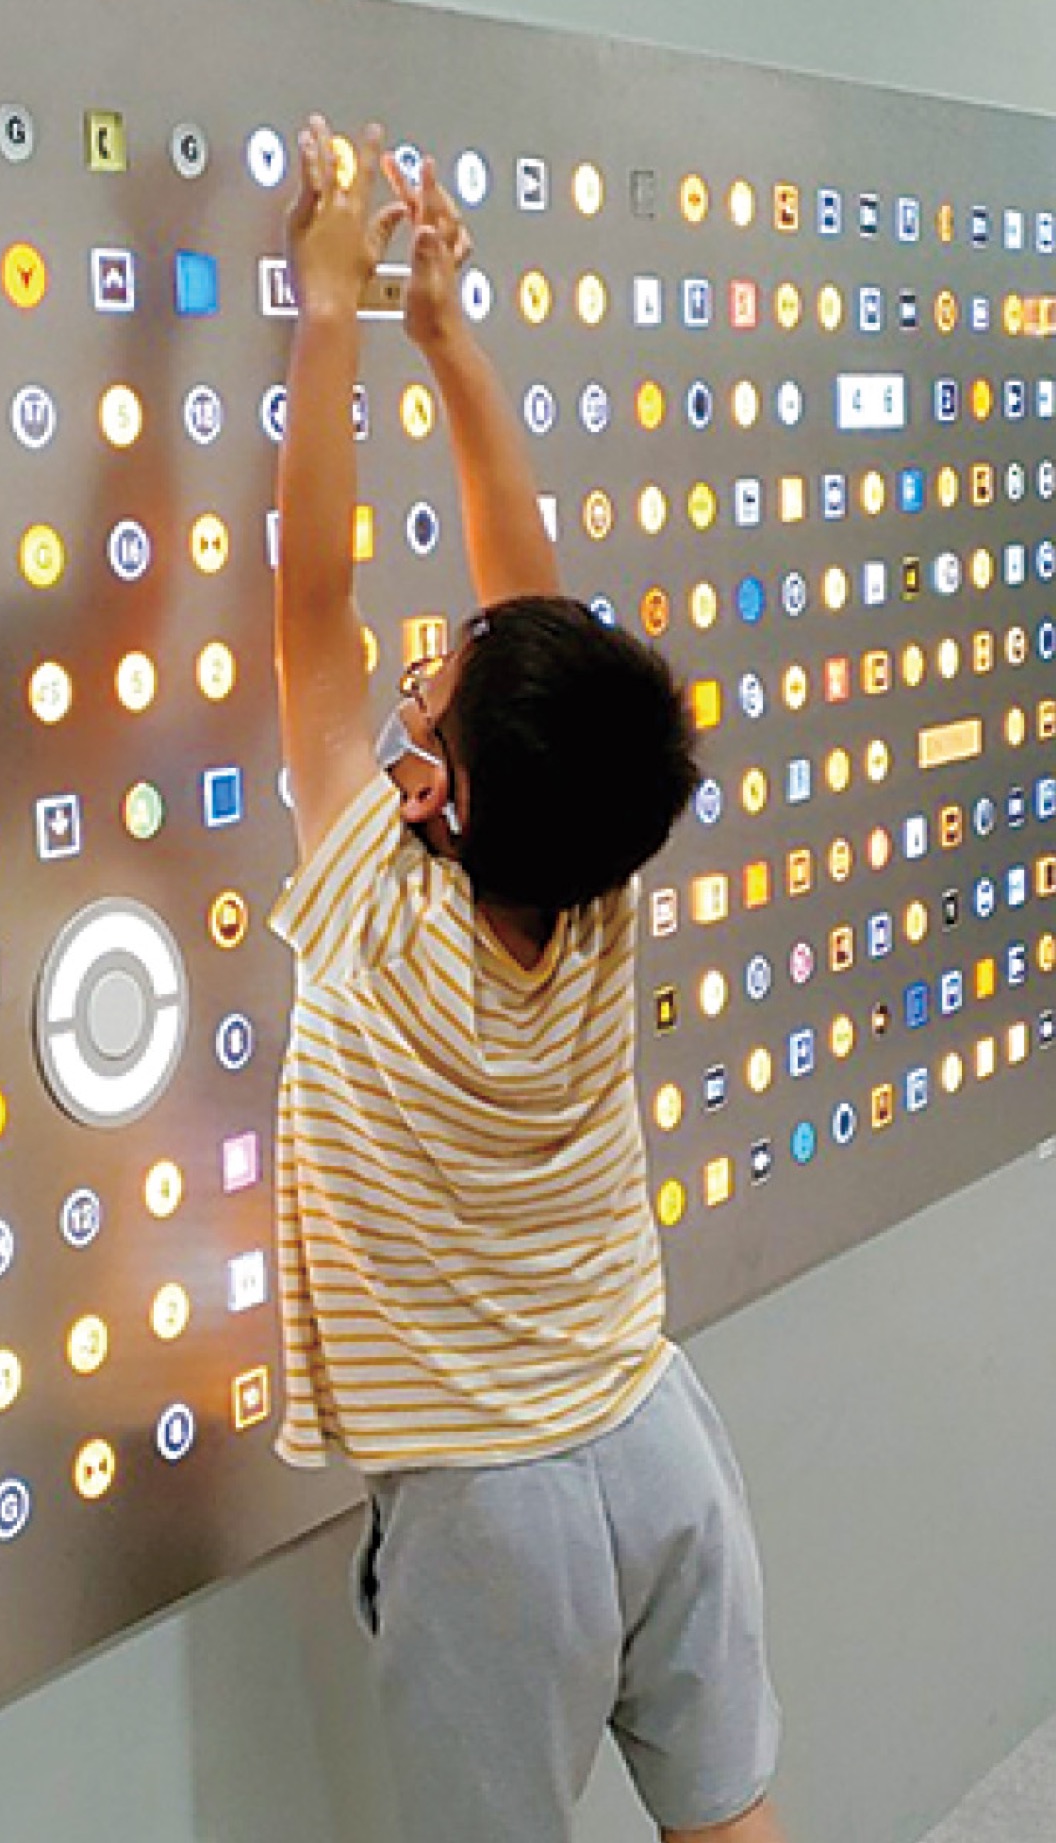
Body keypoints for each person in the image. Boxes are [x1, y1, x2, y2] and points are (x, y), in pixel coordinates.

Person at [269, 112, 787, 1843]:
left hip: (492, 1515)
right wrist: (445, 333)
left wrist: (328, 313)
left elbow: (310, 609)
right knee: (732, 1822)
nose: (409, 687)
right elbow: (530, 610)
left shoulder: (376, 909)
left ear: (446, 795)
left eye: (425, 698)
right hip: (654, 1428)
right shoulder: (597, 891)